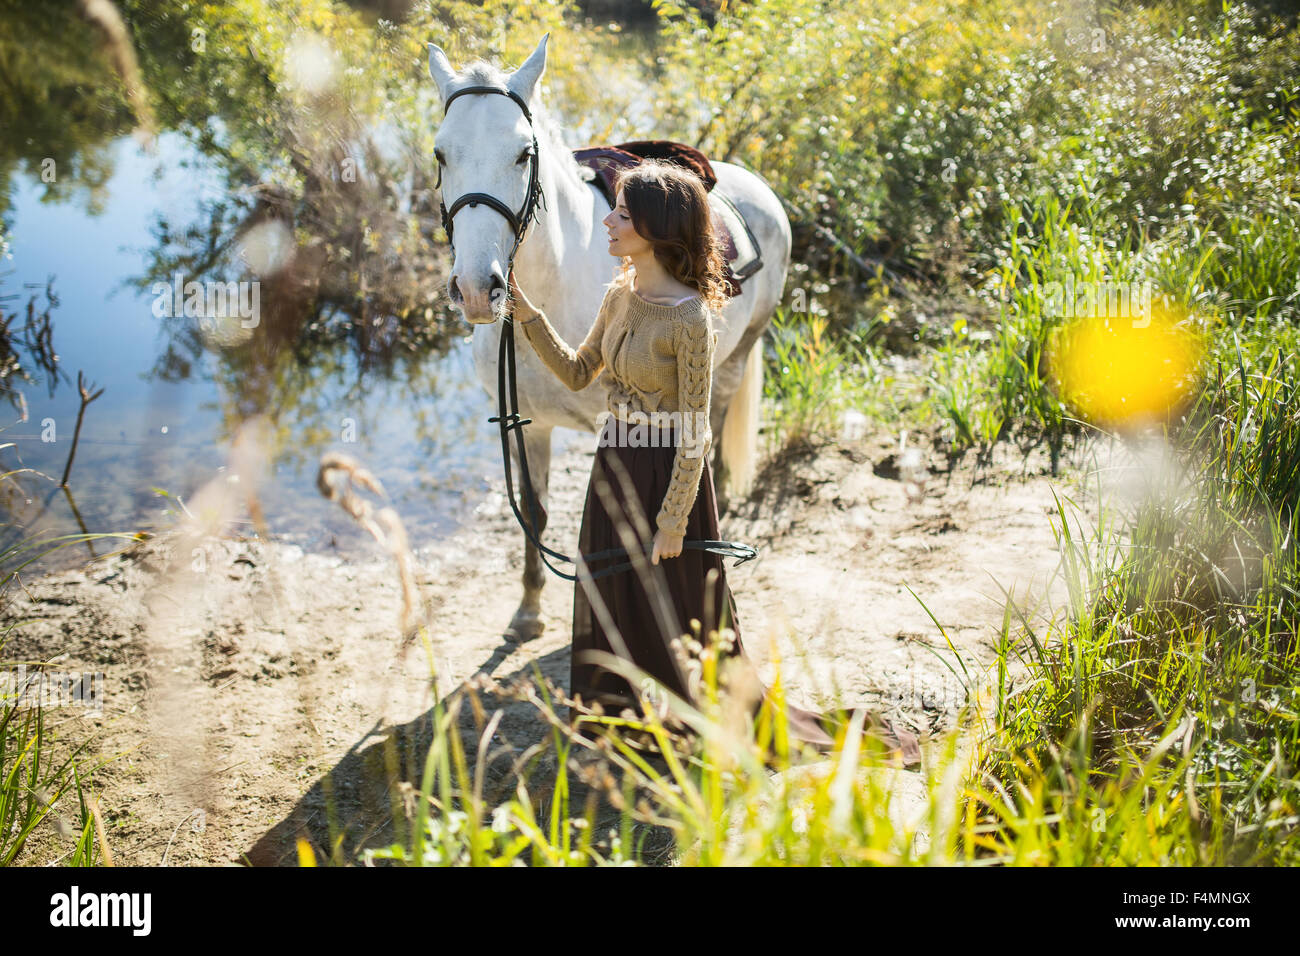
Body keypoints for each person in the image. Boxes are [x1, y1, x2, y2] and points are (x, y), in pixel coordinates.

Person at [506, 159, 919, 767]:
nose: (608, 220)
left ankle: (697, 723)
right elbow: (576, 371)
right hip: (613, 470)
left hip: (668, 479)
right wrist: (527, 314)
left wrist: (674, 520)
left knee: (681, 618)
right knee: (608, 600)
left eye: (622, 213)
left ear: (654, 227)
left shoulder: (691, 318)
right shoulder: (620, 293)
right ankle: (611, 725)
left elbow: (696, 432)